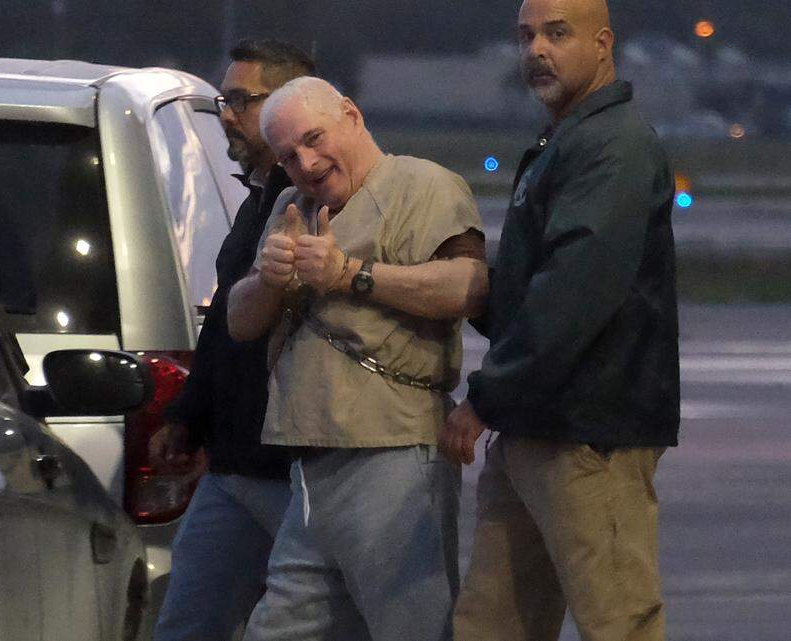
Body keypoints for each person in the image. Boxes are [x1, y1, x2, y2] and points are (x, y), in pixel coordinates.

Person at [440, 0, 680, 639]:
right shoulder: (568, 140)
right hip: (534, 429)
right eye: (525, 36)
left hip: (587, 436)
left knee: (618, 622)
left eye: (556, 33)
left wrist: (485, 397)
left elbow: (571, 295)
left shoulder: (613, 146)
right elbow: (533, 292)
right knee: (491, 626)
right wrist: (468, 284)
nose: (535, 50)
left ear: (603, 44)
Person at [228, 76, 487, 641]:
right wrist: (269, 281)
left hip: (393, 451)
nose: (307, 162)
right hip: (311, 462)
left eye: (315, 138)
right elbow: (240, 322)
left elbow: (467, 286)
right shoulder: (289, 206)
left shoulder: (424, 186)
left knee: (411, 624)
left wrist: (350, 275)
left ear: (352, 115)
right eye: (290, 155)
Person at [148, 39, 315, 641]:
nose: (226, 113)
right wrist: (188, 415)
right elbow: (224, 327)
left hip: (295, 475)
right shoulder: (257, 203)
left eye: (243, 99)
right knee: (187, 622)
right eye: (226, 98)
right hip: (234, 466)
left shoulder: (324, 201)